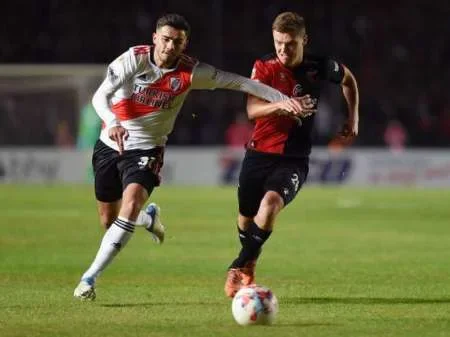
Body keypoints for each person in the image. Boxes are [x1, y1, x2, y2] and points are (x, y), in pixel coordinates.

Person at [73, 13, 314, 300]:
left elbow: (239, 83)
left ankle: (89, 280)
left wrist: (282, 99)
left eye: (177, 41)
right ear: (154, 38)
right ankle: (147, 220)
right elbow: (100, 97)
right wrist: (112, 123)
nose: (169, 47)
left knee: (130, 203)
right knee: (108, 220)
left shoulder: (190, 72)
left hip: (147, 150)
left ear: (185, 44)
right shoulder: (132, 60)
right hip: (109, 144)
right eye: (165, 39)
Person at [224, 11, 359, 297]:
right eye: (278, 43)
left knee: (270, 205)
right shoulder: (264, 67)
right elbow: (252, 110)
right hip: (259, 152)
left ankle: (238, 266)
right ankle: (249, 263)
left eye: (290, 44)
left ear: (304, 40)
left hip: (295, 159)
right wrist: (283, 104)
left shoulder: (319, 66)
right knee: (246, 217)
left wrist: (353, 119)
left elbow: (349, 80)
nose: (283, 50)